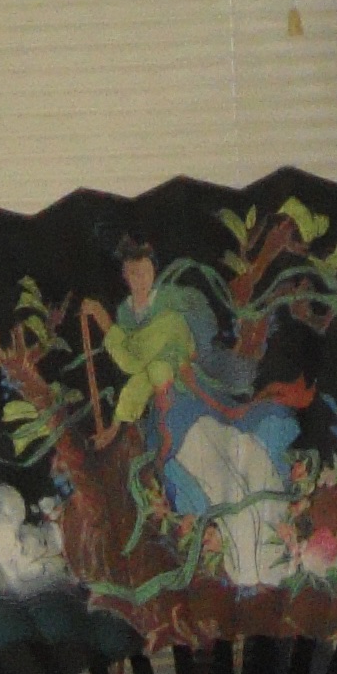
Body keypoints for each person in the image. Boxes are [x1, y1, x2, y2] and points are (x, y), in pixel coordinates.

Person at [83, 239, 299, 588]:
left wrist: (104, 323)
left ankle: (271, 557)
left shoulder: (170, 310)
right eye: (133, 273)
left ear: (153, 271)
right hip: (166, 417)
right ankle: (243, 565)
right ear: (124, 274)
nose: (140, 279)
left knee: (237, 470)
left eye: (145, 271)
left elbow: (132, 359)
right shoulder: (126, 314)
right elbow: (140, 376)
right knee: (209, 486)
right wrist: (116, 425)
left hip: (191, 402)